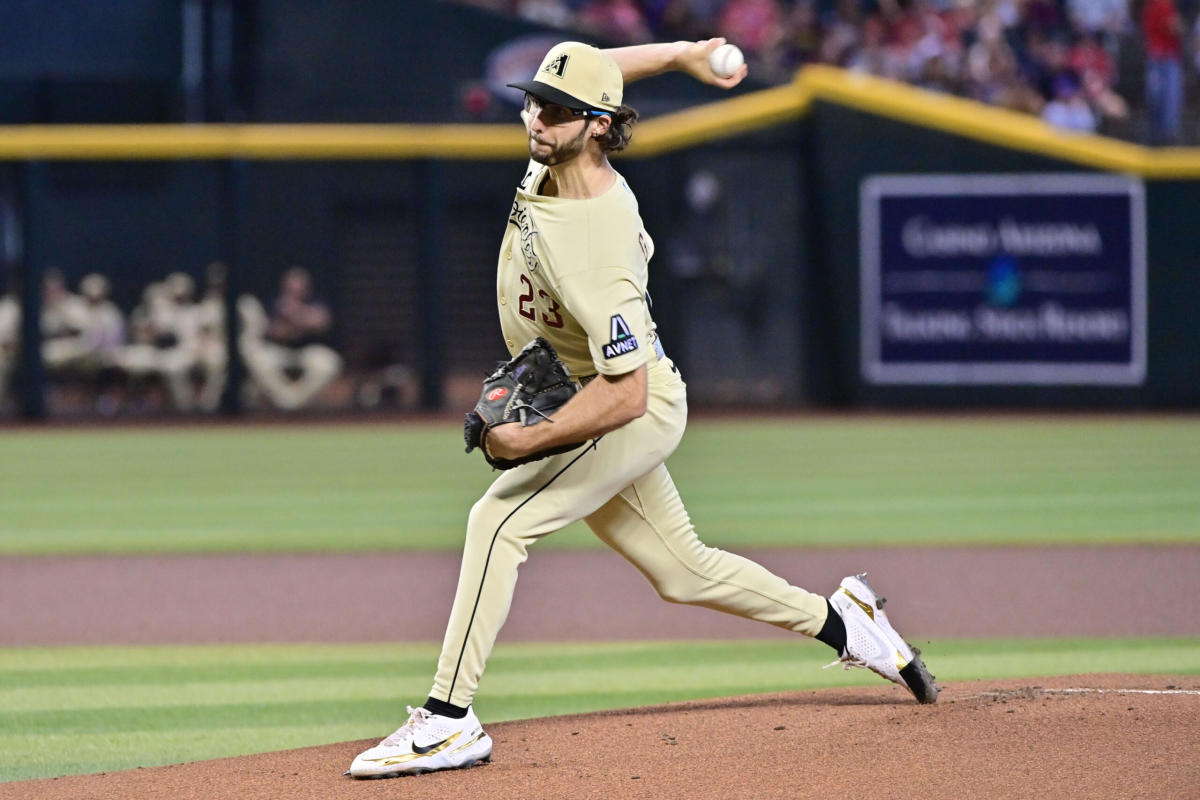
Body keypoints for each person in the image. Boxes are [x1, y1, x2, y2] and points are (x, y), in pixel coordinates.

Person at [347, 39, 937, 780]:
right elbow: (604, 69)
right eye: (535, 100)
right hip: (585, 384)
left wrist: (530, 440)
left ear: (597, 125)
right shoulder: (559, 149)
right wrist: (687, 53)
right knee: (682, 571)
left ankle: (448, 720)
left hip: (624, 404)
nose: (536, 116)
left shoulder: (595, 243)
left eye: (556, 110)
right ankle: (844, 620)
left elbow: (625, 392)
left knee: (496, 522)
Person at [239, 266, 341, 411]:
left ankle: (295, 401)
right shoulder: (273, 302)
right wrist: (290, 325)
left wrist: (296, 314)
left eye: (299, 287)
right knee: (258, 358)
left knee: (328, 362)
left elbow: (322, 322)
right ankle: (286, 400)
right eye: (291, 287)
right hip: (278, 351)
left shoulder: (315, 301)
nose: (295, 291)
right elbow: (267, 331)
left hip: (306, 351)